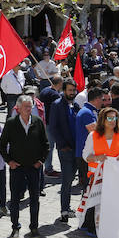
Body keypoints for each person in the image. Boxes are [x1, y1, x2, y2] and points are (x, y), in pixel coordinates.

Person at [0, 95, 50, 238]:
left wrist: (41, 161)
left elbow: (45, 144)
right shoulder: (11, 123)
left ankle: (34, 227)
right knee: (15, 199)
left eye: (30, 106)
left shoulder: (37, 122)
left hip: (34, 168)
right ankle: (15, 227)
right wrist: (9, 161)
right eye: (26, 107)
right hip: (17, 168)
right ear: (18, 108)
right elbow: (2, 145)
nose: (29, 109)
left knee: (35, 198)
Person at [82, 107, 119, 234]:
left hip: (116, 177)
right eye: (109, 118)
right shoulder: (93, 136)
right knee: (95, 204)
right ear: (103, 120)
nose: (112, 120)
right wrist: (97, 157)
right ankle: (92, 228)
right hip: (97, 176)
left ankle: (109, 229)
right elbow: (85, 155)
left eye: (114, 118)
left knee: (111, 205)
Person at [48, 79, 80, 222]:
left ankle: (68, 207)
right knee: (67, 180)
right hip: (66, 149)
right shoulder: (57, 105)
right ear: (64, 90)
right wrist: (62, 145)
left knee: (72, 178)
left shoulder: (76, 105)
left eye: (74, 90)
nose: (72, 93)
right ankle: (64, 211)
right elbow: (53, 128)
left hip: (77, 149)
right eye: (69, 90)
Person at [75, 88, 103, 189]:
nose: (103, 102)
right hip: (86, 154)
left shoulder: (88, 111)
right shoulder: (87, 113)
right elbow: (95, 132)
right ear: (96, 99)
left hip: (86, 153)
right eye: (102, 99)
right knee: (89, 187)